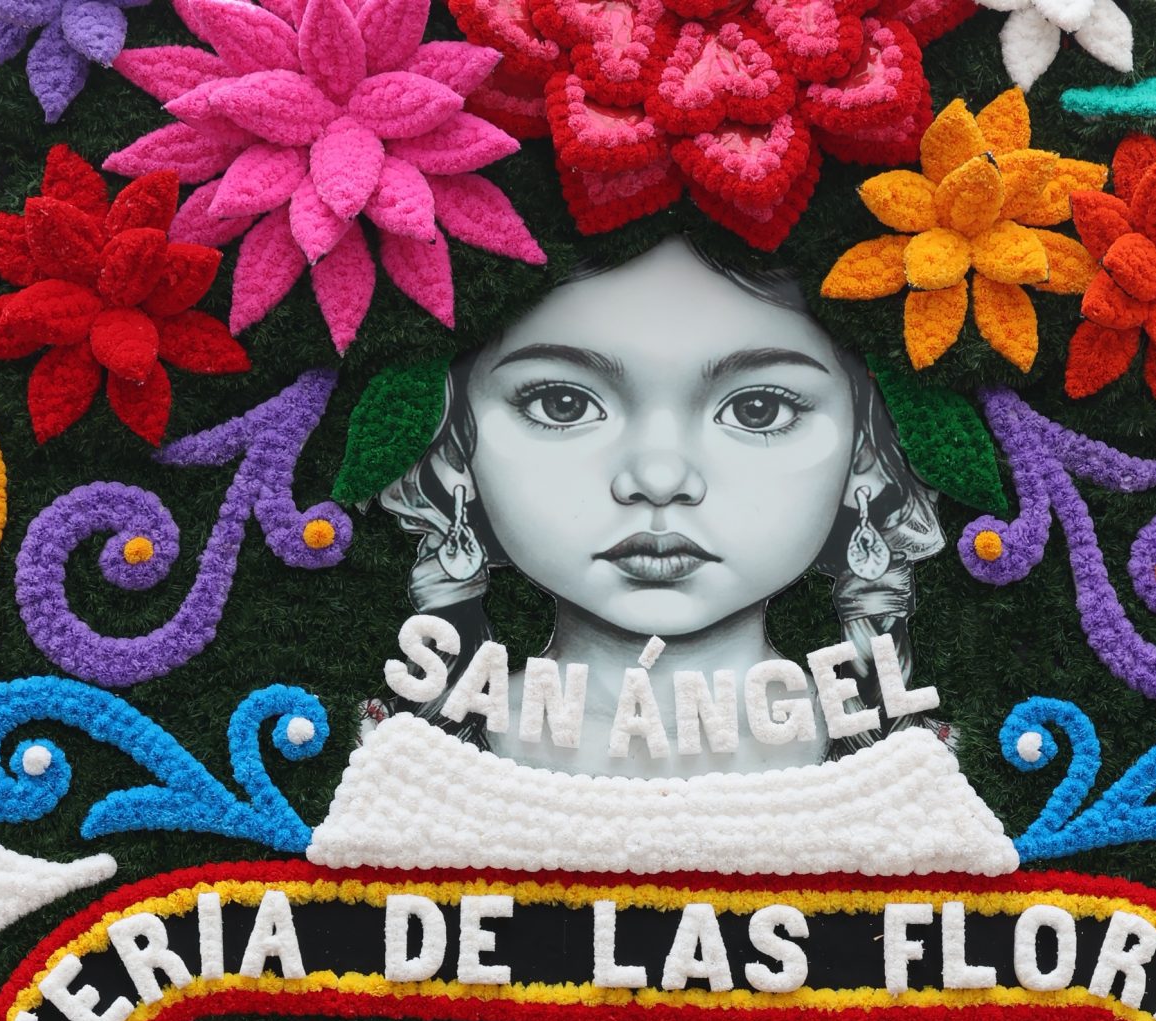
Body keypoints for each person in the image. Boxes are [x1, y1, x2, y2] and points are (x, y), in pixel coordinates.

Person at [378, 237, 949, 778]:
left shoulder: (930, 770)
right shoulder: (384, 760)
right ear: (453, 448)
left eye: (757, 409)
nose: (659, 479)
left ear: (867, 453)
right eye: (563, 403)